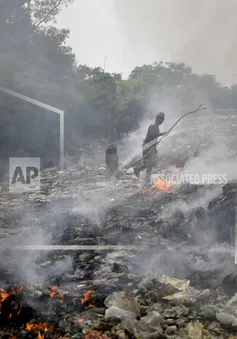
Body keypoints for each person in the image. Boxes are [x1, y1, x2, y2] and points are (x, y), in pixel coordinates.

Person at [141, 112, 167, 183]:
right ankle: (162, 181)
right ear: (157, 118)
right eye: (160, 118)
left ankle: (147, 181)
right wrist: (163, 134)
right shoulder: (153, 126)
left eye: (163, 119)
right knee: (155, 163)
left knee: (150, 165)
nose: (161, 120)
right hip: (147, 146)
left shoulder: (156, 127)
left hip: (150, 147)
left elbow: (154, 140)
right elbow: (152, 135)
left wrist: (155, 149)